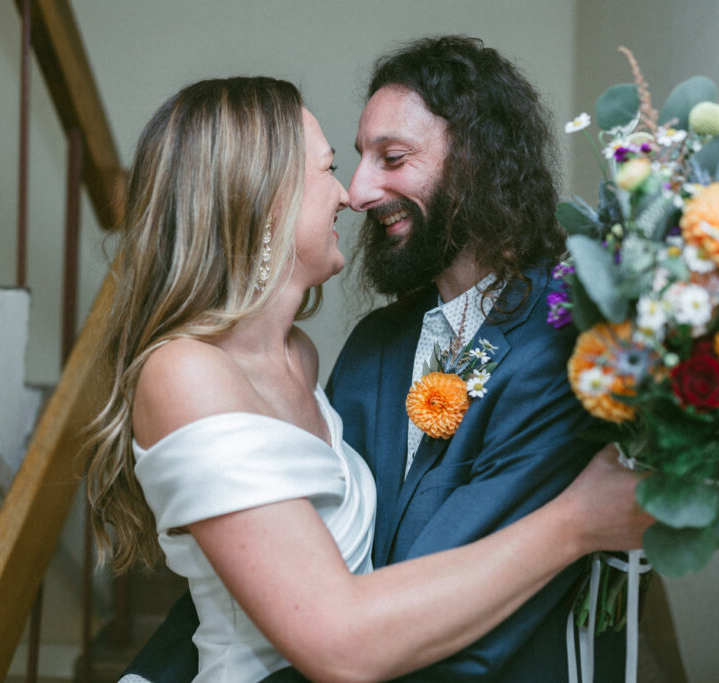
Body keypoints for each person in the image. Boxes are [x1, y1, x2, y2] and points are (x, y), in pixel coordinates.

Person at [92, 75, 648, 683]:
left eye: (389, 159)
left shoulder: (297, 358)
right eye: (332, 168)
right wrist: (579, 521)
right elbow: (329, 633)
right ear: (263, 197)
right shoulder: (187, 373)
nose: (349, 195)